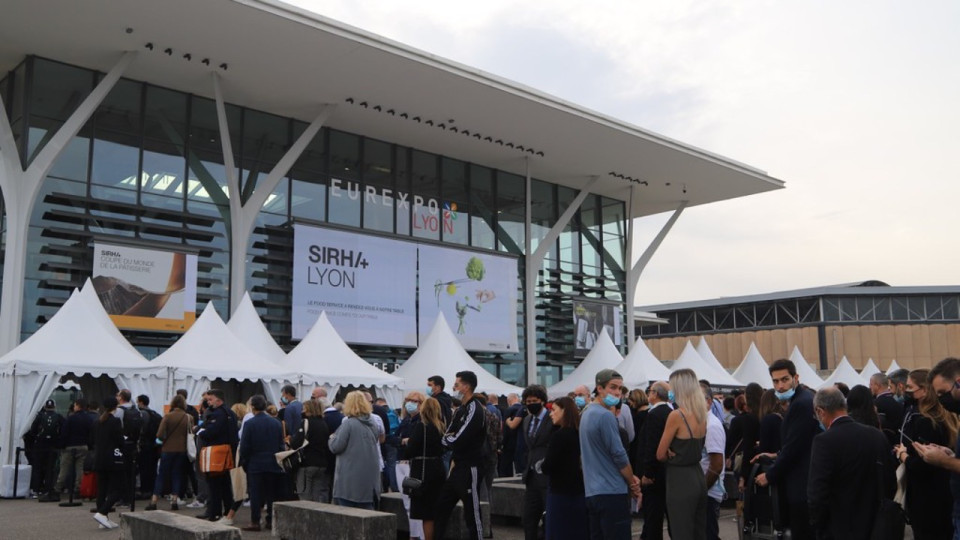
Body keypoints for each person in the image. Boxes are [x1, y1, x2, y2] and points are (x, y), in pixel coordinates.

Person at [807, 386, 894, 540]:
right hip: (876, 524)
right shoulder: (876, 435)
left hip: (839, 527)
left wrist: (818, 526)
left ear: (820, 411)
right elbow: (890, 481)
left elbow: (817, 493)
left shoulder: (824, 441)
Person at [754, 359, 819, 540]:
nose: (780, 386)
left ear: (795, 378)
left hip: (802, 485)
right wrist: (775, 455)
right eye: (775, 381)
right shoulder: (800, 400)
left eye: (785, 380)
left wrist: (770, 475)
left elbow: (794, 449)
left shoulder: (801, 403)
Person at [892, 368, 957, 539]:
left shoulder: (926, 421)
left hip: (928, 498)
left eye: (909, 387)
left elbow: (923, 464)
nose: (905, 391)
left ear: (925, 390)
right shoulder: (941, 416)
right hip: (943, 494)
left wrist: (903, 455)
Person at [580, 369, 641, 540]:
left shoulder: (586, 413)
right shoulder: (605, 416)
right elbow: (619, 455)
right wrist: (632, 483)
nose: (617, 393)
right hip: (612, 492)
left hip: (593, 491)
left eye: (620, 389)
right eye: (612, 387)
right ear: (599, 388)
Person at [434, 371, 488, 540]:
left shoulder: (475, 409)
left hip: (470, 467)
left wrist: (450, 439)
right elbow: (447, 435)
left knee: (472, 512)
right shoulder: (460, 410)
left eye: (456, 385)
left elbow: (458, 439)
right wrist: (450, 439)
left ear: (466, 387)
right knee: (441, 507)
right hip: (457, 466)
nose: (453, 387)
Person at [656, 369, 707, 540]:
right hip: (698, 476)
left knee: (681, 531)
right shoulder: (702, 414)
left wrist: (671, 452)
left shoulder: (677, 415)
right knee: (699, 531)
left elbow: (660, 454)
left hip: (680, 480)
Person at [541, 396, 588, 540]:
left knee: (559, 532)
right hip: (580, 492)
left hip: (560, 493)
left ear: (564, 411)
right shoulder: (581, 433)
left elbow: (547, 466)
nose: (550, 413)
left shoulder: (559, 436)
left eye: (554, 410)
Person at [328, 390, 382, 509]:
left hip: (349, 480)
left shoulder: (348, 424)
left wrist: (332, 437)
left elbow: (335, 447)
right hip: (369, 480)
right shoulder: (372, 423)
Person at [239, 395, 285, 532]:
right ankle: (271, 520)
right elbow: (280, 444)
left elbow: (245, 446)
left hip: (255, 463)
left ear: (253, 407)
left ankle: (255, 520)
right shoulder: (276, 423)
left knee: (255, 493)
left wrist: (244, 461)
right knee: (271, 493)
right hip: (272, 462)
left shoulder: (249, 424)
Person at [406, 397, 447, 540]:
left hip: (423, 472)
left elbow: (411, 449)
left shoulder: (421, 426)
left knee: (426, 514)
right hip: (438, 470)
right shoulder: (441, 426)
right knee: (436, 511)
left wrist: (405, 442)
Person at [196, 389, 238, 521]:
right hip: (228, 452)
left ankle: (214, 512)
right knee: (225, 484)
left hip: (216, 452)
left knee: (214, 484)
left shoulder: (217, 414)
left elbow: (210, 432)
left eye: (210, 399)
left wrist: (199, 431)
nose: (208, 402)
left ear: (218, 400)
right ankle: (226, 511)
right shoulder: (230, 413)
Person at [145, 394, 192, 511]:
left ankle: (154, 500)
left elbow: (159, 434)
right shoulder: (189, 417)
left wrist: (164, 439)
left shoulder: (167, 417)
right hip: (181, 450)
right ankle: (174, 500)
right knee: (177, 474)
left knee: (161, 475)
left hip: (167, 449)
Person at [518, 385, 552, 540]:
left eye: (534, 401)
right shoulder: (526, 420)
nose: (531, 404)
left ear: (542, 401)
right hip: (531, 476)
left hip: (547, 475)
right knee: (528, 518)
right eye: (528, 401)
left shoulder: (552, 418)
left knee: (549, 518)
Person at [638, 381, 671, 540]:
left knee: (653, 518)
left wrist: (647, 473)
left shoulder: (654, 415)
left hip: (655, 476)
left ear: (655, 394)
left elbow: (651, 446)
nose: (648, 394)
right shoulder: (671, 412)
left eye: (650, 391)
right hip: (668, 473)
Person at [91, 396, 124, 530]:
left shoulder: (97, 422)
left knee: (102, 489)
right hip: (112, 459)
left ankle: (103, 518)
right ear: (115, 407)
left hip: (99, 458)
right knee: (117, 489)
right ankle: (102, 513)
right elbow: (120, 440)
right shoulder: (115, 421)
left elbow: (92, 440)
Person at [397, 391, 426, 540]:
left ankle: (417, 535)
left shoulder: (420, 421)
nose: (410, 403)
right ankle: (414, 534)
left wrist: (403, 441)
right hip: (401, 461)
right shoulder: (406, 420)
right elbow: (396, 439)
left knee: (412, 502)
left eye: (415, 401)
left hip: (411, 463)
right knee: (407, 502)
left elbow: (411, 442)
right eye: (408, 400)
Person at [290, 398, 331, 503]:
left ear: (308, 409)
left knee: (305, 495)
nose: (302, 411)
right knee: (317, 497)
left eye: (303, 408)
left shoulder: (306, 422)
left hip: (307, 462)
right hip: (322, 463)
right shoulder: (324, 423)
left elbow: (296, 443)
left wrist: (290, 440)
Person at [52, 398, 92, 500]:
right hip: (83, 446)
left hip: (70, 446)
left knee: (64, 468)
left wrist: (61, 445)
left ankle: (57, 489)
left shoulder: (71, 418)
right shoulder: (89, 419)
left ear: (77, 406)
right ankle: (78, 489)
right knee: (80, 469)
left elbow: (64, 433)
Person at [700, 381, 726, 540]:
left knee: (708, 534)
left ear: (708, 401)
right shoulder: (702, 423)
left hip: (708, 493)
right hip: (704, 490)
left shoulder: (712, 426)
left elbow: (716, 464)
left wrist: (701, 489)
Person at [727, 383, 761, 495]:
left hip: (748, 463)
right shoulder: (764, 415)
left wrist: (743, 476)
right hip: (764, 465)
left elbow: (747, 446)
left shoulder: (747, 419)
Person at [31, 399, 64, 500]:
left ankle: (36, 489)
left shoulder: (40, 416)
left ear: (45, 407)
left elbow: (33, 430)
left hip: (40, 445)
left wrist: (36, 439)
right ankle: (47, 489)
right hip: (52, 445)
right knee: (50, 468)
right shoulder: (58, 417)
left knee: (37, 467)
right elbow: (63, 430)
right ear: (54, 406)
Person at [114, 389, 142, 509]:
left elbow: (115, 426)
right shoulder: (136, 411)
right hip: (133, 443)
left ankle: (123, 497)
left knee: (121, 471)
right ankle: (131, 496)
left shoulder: (119, 411)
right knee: (131, 471)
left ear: (121, 398)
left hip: (122, 444)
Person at [136, 394, 163, 499]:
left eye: (138, 402)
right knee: (152, 469)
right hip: (154, 445)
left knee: (144, 469)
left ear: (141, 402)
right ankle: (152, 490)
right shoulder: (155, 414)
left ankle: (145, 490)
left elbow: (142, 430)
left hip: (145, 445)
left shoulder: (142, 414)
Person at [870, 372, 904, 445]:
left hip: (884, 442)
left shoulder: (877, 404)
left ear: (877, 385)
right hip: (899, 442)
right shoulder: (898, 401)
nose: (870, 387)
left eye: (871, 384)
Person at [500, 392, 522, 477]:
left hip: (510, 442)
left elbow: (506, 429)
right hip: (521, 441)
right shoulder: (524, 409)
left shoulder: (509, 410)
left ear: (508, 401)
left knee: (506, 465)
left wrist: (502, 443)